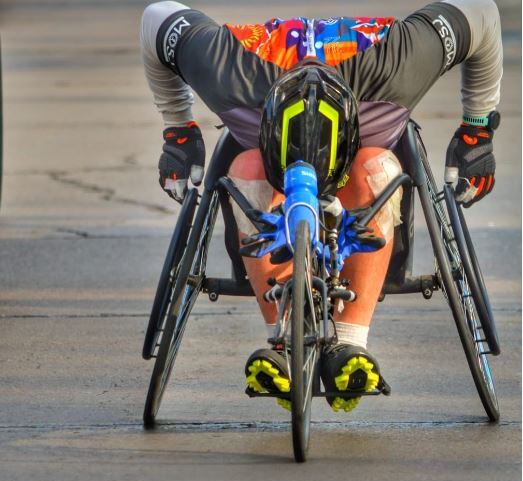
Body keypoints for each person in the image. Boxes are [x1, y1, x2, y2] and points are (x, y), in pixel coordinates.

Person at [140, 0, 502, 412]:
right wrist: (178, 128)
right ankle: (283, 339)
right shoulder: (230, 69)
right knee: (248, 166)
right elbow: (156, 17)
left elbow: (482, 12)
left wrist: (477, 129)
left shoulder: (396, 61)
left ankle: (349, 345)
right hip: (262, 112)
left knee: (375, 166)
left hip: (366, 118)